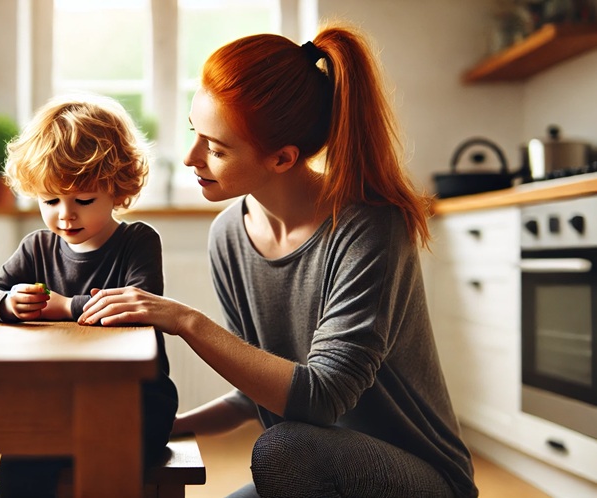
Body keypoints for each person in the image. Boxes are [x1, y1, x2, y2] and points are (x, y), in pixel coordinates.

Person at [78, 22, 479, 498]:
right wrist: (168, 428)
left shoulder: (372, 226)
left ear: (283, 159)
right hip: (309, 470)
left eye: (216, 148)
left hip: (420, 479)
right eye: (194, 132)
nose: (190, 157)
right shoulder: (228, 233)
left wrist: (186, 320)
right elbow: (259, 390)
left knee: (279, 448)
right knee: (280, 452)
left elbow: (322, 397)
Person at [0, 93, 178, 498]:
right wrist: (7, 303)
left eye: (83, 200)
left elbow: (136, 306)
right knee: (19, 461)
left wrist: (65, 306)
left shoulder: (139, 242)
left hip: (137, 402)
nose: (65, 214)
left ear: (119, 190)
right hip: (54, 400)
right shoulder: (36, 248)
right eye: (50, 200)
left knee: (106, 461)